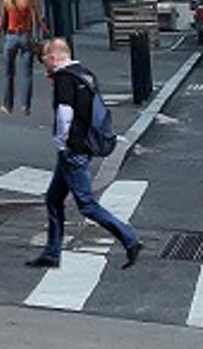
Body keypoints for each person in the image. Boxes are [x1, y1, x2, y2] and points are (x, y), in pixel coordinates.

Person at [26, 39, 141, 270]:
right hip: (84, 145)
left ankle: (130, 238)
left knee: (86, 204)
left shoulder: (64, 78)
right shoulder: (85, 74)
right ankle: (51, 253)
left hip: (73, 149)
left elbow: (65, 113)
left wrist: (61, 142)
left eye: (44, 60)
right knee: (53, 199)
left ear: (53, 57)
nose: (44, 65)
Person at [0, 0, 38, 116]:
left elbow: (2, 21)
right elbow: (37, 19)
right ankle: (26, 106)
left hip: (11, 36)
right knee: (27, 74)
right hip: (25, 35)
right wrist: (45, 32)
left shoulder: (7, 0)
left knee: (8, 73)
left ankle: (7, 106)